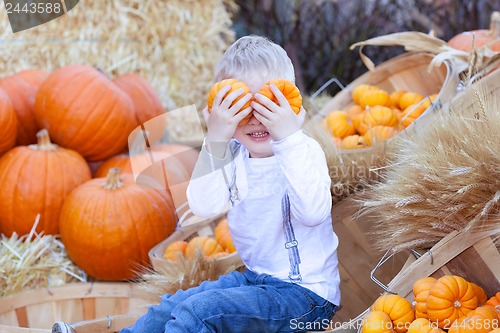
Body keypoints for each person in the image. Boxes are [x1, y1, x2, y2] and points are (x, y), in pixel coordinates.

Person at [121, 35, 340, 333]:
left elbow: (313, 213)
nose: (256, 120)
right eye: (241, 109)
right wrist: (216, 139)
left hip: (305, 298)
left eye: (269, 106)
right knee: (171, 307)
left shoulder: (303, 150)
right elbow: (203, 204)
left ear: (291, 106)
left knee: (200, 313)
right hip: (255, 280)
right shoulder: (232, 156)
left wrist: (288, 137)